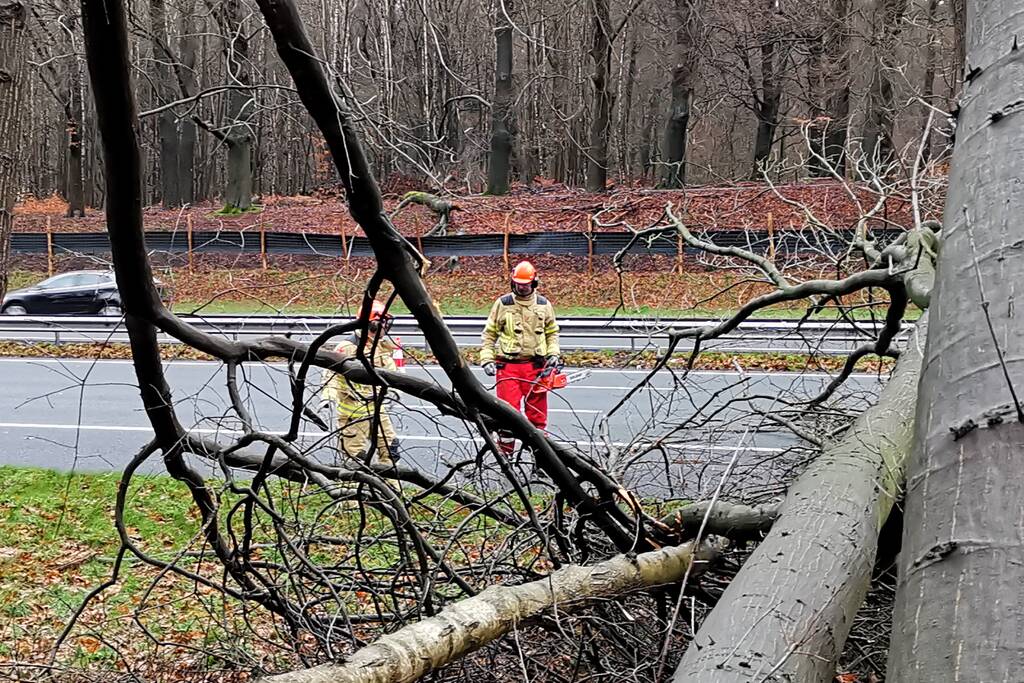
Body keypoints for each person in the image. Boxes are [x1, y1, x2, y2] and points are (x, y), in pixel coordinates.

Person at [479, 260, 561, 453]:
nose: (521, 288)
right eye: (518, 284)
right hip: (507, 367)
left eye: (525, 285)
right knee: (507, 416)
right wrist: (487, 359)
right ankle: (505, 459)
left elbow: (552, 332)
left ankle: (541, 458)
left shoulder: (543, 305)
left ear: (534, 283)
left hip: (536, 368)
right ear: (512, 283)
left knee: (538, 418)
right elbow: (489, 334)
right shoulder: (503, 304)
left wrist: (553, 354)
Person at [324, 299, 401, 466]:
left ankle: (390, 488)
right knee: (355, 458)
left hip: (377, 410)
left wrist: (395, 391)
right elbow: (330, 374)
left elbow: (392, 373)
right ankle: (353, 491)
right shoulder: (347, 348)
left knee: (390, 448)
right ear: (372, 324)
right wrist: (328, 397)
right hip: (353, 415)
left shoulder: (380, 347)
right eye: (383, 322)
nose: (386, 327)